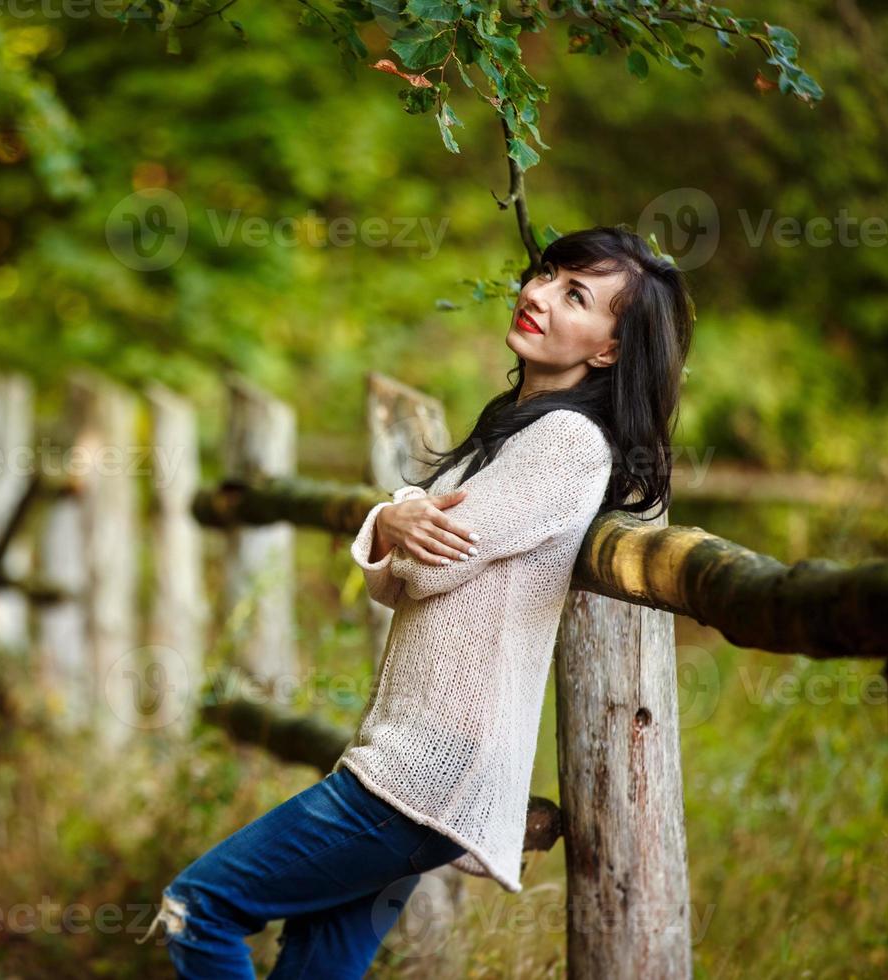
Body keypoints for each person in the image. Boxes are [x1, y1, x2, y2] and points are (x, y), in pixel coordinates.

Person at [139, 225, 695, 979]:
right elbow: (399, 567)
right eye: (544, 273)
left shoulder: (566, 442)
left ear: (608, 350)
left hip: (421, 778)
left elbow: (426, 568)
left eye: (575, 296)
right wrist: (395, 517)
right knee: (314, 969)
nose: (536, 295)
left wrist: (395, 516)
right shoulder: (509, 430)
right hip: (417, 770)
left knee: (199, 907)